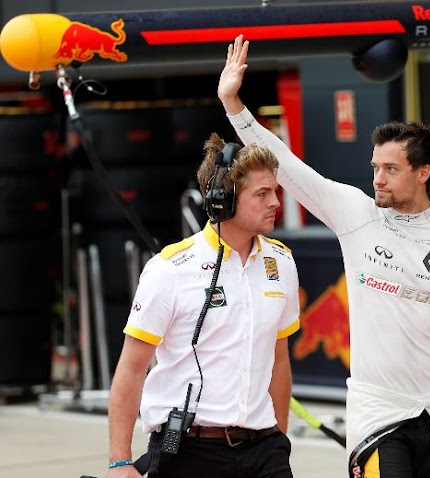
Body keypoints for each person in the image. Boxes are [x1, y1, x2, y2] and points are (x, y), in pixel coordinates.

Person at [218, 35, 430, 478]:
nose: (378, 179)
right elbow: (286, 164)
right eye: (375, 168)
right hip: (376, 411)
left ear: (422, 173)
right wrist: (234, 104)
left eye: (391, 169)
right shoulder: (355, 213)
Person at [106, 134, 300, 478]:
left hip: (266, 450)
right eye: (262, 194)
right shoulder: (170, 269)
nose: (276, 202)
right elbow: (132, 368)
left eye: (275, 191)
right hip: (191, 452)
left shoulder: (281, 262)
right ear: (222, 200)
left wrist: (279, 438)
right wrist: (120, 462)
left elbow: (279, 359)